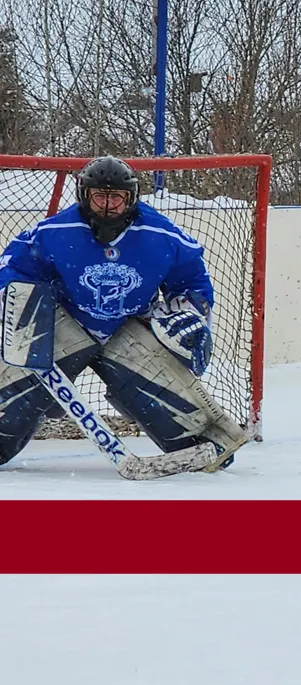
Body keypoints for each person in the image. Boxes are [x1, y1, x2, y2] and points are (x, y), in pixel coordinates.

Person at [0, 156, 246, 470]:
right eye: (99, 197)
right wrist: (18, 310)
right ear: (83, 195)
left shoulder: (164, 236)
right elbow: (15, 270)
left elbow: (191, 283)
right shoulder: (54, 231)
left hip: (127, 329)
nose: (106, 206)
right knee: (15, 396)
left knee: (201, 444)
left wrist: (187, 315)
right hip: (66, 326)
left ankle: (198, 435)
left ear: (131, 198)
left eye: (115, 197)